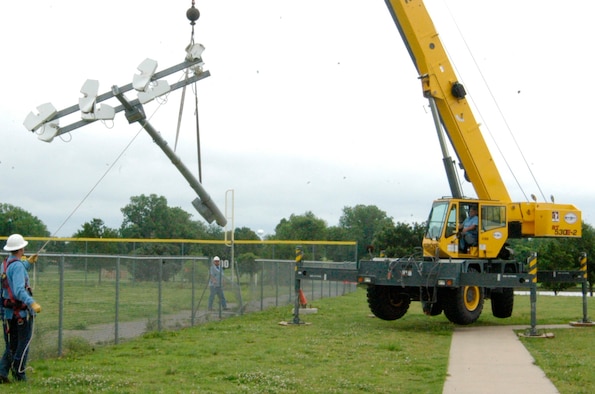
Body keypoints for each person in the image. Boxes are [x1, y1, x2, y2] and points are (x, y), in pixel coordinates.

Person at [1, 234, 42, 383]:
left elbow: (17, 269)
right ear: (21, 249)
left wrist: (28, 263)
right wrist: (31, 302)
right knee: (23, 345)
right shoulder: (17, 266)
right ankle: (19, 374)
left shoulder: (6, 264)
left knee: (12, 345)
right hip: (20, 313)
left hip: (9, 313)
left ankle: (2, 372)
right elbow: (19, 290)